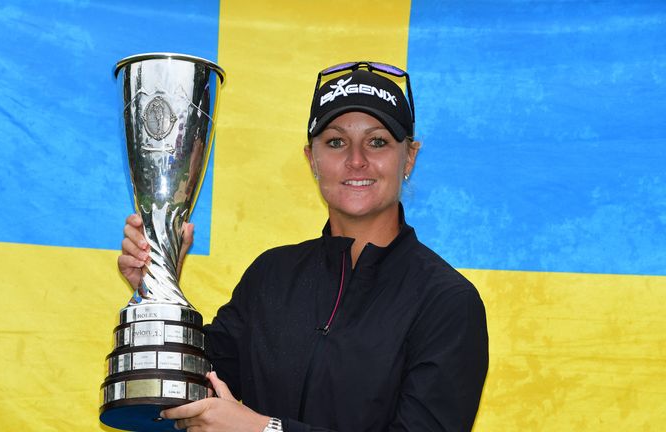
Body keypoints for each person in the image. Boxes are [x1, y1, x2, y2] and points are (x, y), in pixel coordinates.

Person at [118, 62, 489, 432]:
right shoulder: (271, 275)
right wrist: (158, 286)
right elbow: (183, 394)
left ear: (408, 157)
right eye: (335, 142)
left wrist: (265, 430)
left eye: (377, 142)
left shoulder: (447, 302)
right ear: (312, 159)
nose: (356, 160)